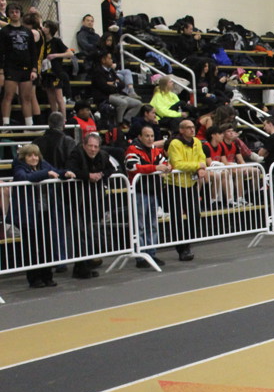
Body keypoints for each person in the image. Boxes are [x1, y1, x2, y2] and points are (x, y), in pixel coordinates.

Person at [12, 143, 76, 287]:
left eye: (36, 155)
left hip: (45, 212)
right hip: (28, 214)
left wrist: (65, 174)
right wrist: (45, 174)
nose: (34, 158)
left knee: (47, 245)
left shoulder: (43, 164)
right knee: (31, 247)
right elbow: (23, 177)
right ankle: (34, 279)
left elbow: (56, 171)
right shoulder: (19, 167)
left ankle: (47, 276)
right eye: (30, 155)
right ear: (24, 157)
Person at [67, 132, 116, 279]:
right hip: (77, 200)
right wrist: (88, 176)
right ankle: (81, 267)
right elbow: (71, 170)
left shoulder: (103, 155)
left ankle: (87, 263)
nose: (93, 149)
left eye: (96, 146)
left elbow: (111, 169)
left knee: (90, 232)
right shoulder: (76, 154)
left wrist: (100, 175)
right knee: (81, 233)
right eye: (90, 146)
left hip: (94, 200)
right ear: (84, 145)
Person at [124, 125, 170, 268]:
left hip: (153, 192)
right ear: (140, 137)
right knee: (140, 226)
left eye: (152, 136)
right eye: (147, 136)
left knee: (153, 225)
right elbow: (132, 167)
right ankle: (140, 256)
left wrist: (167, 167)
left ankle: (151, 254)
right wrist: (155, 168)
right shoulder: (132, 149)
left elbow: (164, 162)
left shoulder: (155, 150)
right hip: (139, 192)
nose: (150, 139)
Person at [163, 119, 207, 261]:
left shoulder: (197, 142)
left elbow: (202, 158)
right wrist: (198, 166)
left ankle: (187, 243)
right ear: (181, 130)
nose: (192, 130)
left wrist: (201, 167)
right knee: (177, 218)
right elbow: (178, 164)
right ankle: (182, 248)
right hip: (175, 185)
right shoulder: (175, 144)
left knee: (195, 215)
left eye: (193, 127)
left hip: (190, 183)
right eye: (188, 127)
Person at [0, 4, 38, 125]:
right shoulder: (4, 31)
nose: (14, 14)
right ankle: (6, 124)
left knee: (26, 97)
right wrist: (1, 71)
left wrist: (34, 69)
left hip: (26, 68)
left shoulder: (27, 32)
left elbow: (33, 52)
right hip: (10, 68)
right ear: (8, 14)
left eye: (17, 11)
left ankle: (29, 125)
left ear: (21, 13)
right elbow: (1, 52)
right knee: (8, 96)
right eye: (12, 12)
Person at [91, 50, 142, 125]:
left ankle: (126, 120)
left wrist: (113, 84)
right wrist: (115, 84)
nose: (112, 60)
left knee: (138, 104)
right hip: (105, 96)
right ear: (103, 60)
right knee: (123, 103)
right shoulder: (98, 72)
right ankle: (119, 123)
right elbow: (104, 87)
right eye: (109, 58)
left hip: (117, 94)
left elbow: (122, 84)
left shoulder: (111, 71)